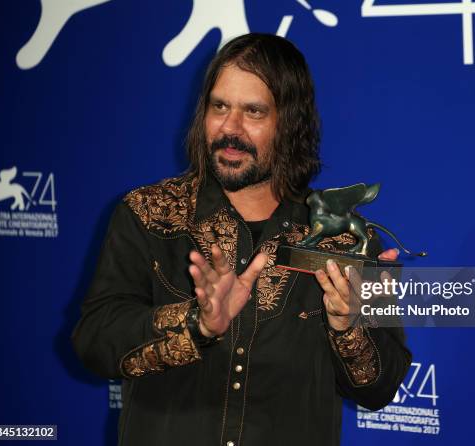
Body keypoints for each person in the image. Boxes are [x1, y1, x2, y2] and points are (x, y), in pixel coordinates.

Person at [71, 33, 412, 446]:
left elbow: (381, 389)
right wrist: (197, 323)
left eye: (253, 112)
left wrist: (348, 326)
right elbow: (95, 343)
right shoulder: (147, 214)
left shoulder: (345, 240)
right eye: (219, 107)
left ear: (290, 124)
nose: (230, 129)